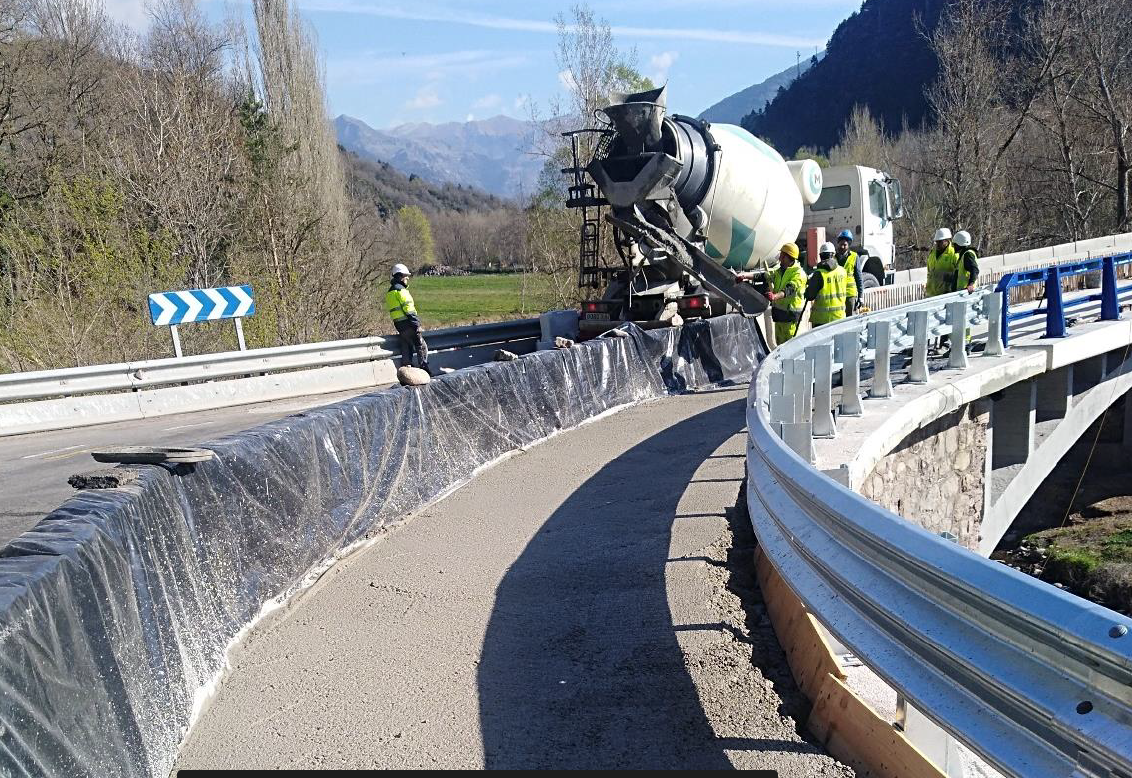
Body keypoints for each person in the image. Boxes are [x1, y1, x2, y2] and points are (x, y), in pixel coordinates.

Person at [385, 263, 434, 375]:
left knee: (406, 344)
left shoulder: (390, 292)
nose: (407, 278)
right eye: (406, 275)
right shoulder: (401, 291)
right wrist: (416, 324)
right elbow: (409, 309)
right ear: (400, 276)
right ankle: (424, 368)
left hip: (399, 325)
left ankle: (407, 368)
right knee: (421, 345)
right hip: (408, 323)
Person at [758, 242, 806, 345]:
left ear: (788, 257)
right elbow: (765, 276)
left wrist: (774, 296)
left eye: (782, 256)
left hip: (790, 318)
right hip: (779, 315)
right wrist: (745, 277)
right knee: (780, 346)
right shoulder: (779, 271)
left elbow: (789, 289)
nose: (779, 259)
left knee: (790, 347)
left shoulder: (799, 274)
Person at [806, 241, 848, 327]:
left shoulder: (819, 273)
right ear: (833, 255)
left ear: (820, 256)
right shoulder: (843, 271)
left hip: (822, 321)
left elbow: (810, 296)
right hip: (839, 318)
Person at [924, 227, 960, 298]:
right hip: (930, 294)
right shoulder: (932, 254)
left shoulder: (954, 254)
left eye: (940, 242)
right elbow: (929, 272)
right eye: (936, 241)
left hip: (945, 295)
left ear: (947, 241)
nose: (937, 244)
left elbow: (958, 275)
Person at [834, 229, 863, 316]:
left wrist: (861, 296)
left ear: (848, 245)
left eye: (845, 245)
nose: (842, 247)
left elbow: (859, 277)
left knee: (850, 320)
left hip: (850, 295)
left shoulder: (854, 257)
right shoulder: (833, 258)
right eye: (841, 244)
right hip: (837, 295)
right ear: (838, 244)